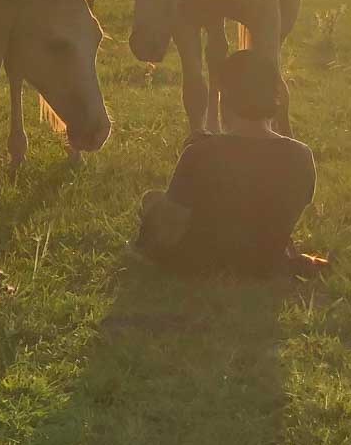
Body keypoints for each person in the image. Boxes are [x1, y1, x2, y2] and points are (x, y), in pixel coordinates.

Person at [133, 48, 329, 278]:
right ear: (276, 97)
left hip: (203, 265)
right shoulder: (301, 155)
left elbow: (172, 223)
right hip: (264, 264)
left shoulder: (200, 153)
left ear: (224, 98)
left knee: (152, 200)